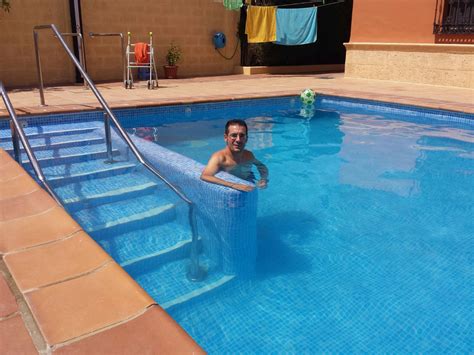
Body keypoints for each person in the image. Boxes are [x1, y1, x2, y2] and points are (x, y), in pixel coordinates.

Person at [200, 119, 269, 192]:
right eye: (234, 135)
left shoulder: (249, 155)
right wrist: (234, 185)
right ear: (225, 137)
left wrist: (263, 179)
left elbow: (261, 166)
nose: (238, 140)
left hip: (249, 181)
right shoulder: (219, 158)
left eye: (242, 135)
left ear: (246, 138)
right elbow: (205, 176)